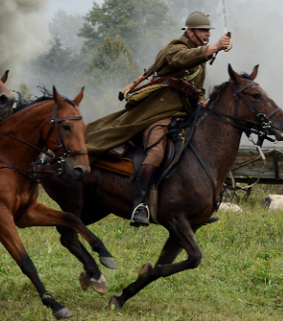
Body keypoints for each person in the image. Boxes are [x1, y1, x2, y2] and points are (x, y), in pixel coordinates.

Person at [84, 11, 231, 227]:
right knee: (156, 151)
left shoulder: (200, 58)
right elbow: (182, 58)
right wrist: (215, 47)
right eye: (202, 30)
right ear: (190, 32)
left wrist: (202, 101)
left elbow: (195, 88)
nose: (207, 34)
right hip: (159, 112)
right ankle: (140, 204)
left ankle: (195, 206)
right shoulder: (175, 48)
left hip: (185, 115)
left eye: (209, 31)